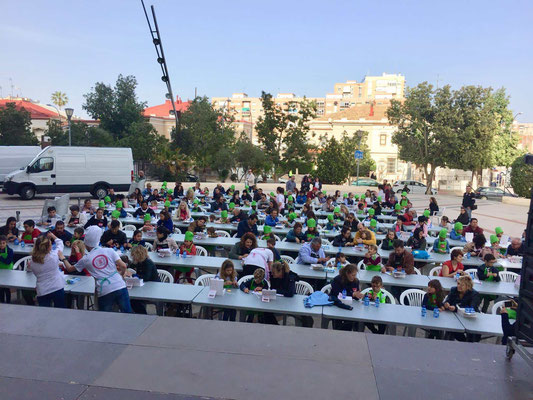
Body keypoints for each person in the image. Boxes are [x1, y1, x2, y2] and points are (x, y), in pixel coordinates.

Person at [63, 226, 132, 313]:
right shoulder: (109, 251)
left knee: (104, 318)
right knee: (127, 314)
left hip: (104, 290)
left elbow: (69, 269)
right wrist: (120, 275)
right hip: (120, 285)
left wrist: (62, 258)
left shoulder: (86, 259)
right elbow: (123, 266)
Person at [29, 232, 70, 308]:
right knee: (60, 311)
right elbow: (60, 243)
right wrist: (52, 235)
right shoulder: (54, 256)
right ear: (49, 247)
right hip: (57, 287)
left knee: (44, 314)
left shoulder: (32, 261)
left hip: (42, 289)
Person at [444, 275, 481, 341]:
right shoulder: (453, 290)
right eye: (458, 284)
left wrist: (456, 308)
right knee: (451, 328)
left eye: (462, 285)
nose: (459, 286)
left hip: (470, 318)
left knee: (471, 334)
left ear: (468, 286)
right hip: (455, 317)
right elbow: (448, 300)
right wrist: (447, 304)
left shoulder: (475, 294)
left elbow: (472, 308)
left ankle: (469, 344)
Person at [329, 264, 364, 331]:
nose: (354, 277)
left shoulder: (356, 281)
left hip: (350, 306)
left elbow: (356, 298)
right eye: (352, 275)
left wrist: (358, 295)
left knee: (354, 322)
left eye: (355, 275)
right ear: (347, 273)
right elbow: (338, 293)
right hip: (337, 305)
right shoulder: (337, 280)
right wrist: (353, 294)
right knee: (339, 324)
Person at [129, 245, 160, 314]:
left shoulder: (148, 263)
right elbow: (131, 268)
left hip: (152, 287)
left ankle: (142, 314)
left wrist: (134, 275)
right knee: (132, 299)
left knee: (135, 301)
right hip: (143, 286)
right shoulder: (138, 262)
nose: (132, 257)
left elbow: (146, 277)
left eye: (133, 255)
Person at [0, 235, 14, 303]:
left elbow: (8, 262)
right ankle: (2, 302)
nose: (1, 245)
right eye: (0, 243)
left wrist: (0, 257)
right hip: (0, 271)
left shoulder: (10, 251)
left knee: (7, 288)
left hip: (8, 271)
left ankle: (8, 302)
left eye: (3, 243)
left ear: (6, 243)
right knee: (1, 288)